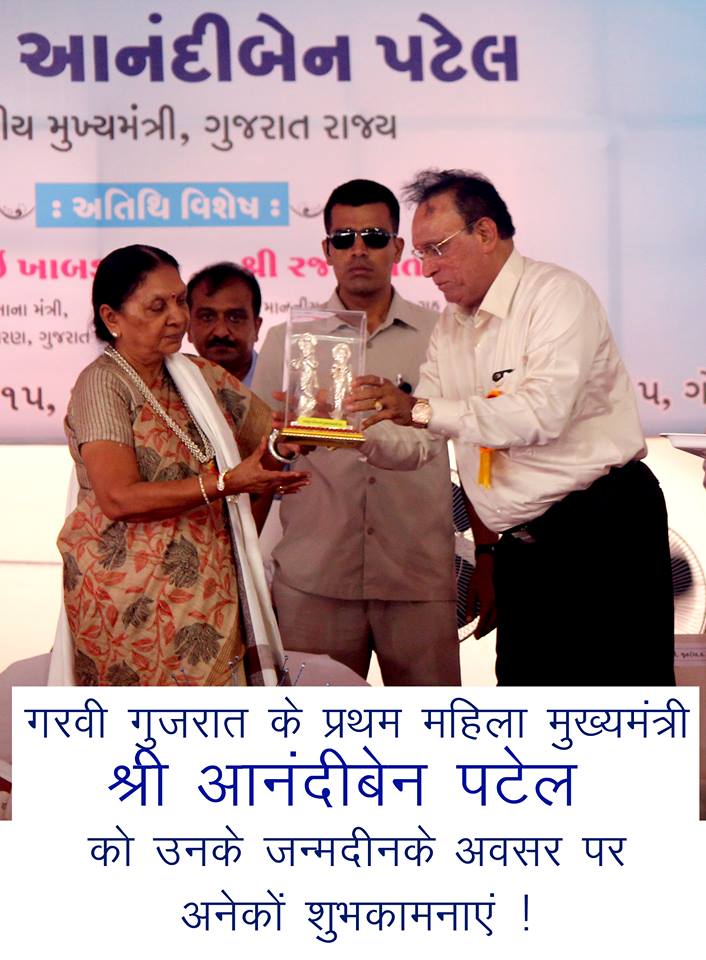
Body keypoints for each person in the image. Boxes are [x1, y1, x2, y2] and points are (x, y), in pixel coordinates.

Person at [351, 169, 675, 686]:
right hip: (522, 546)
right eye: (422, 254)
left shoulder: (556, 296)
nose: (427, 269)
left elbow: (541, 414)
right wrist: (348, 433)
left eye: (437, 249)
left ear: (485, 232)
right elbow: (421, 442)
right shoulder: (451, 326)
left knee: (618, 705)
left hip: (600, 528)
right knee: (527, 706)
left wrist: (418, 409)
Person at [56, 244, 309, 686]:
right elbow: (118, 498)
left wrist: (296, 436)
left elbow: (265, 447)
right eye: (158, 306)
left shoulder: (197, 374)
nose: (177, 317)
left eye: (179, 301)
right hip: (128, 606)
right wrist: (226, 483)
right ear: (112, 317)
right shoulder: (102, 385)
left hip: (210, 595)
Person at [253, 179, 459, 685]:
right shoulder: (288, 340)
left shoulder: (443, 335)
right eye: (344, 239)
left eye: (374, 237)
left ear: (398, 247)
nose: (359, 250)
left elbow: (475, 448)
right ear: (327, 250)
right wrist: (286, 443)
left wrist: (490, 553)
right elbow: (259, 457)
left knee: (435, 727)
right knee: (308, 731)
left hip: (416, 573)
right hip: (314, 575)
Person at [186, 261, 262, 387]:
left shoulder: (284, 387)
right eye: (207, 317)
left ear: (256, 327)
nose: (221, 332)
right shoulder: (169, 389)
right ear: (188, 328)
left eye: (235, 318)